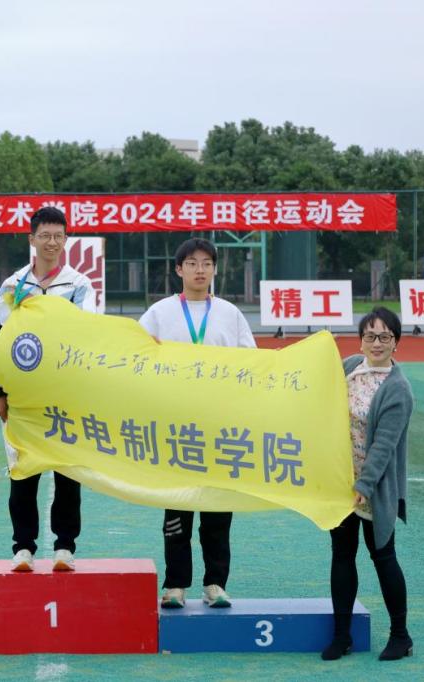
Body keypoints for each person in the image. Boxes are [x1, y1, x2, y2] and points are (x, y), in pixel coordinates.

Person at [137, 237, 256, 610]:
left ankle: (215, 583)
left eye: (206, 263)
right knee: (176, 510)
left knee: (218, 510)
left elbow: (251, 363)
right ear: (179, 269)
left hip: (220, 428)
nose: (200, 270)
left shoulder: (230, 314)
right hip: (176, 428)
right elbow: (134, 356)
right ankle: (175, 585)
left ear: (215, 269)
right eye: (191, 263)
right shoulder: (159, 313)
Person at [0, 206, 97, 572]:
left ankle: (65, 546)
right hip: (22, 396)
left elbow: (88, 334)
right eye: (44, 235)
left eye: (58, 236)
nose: (51, 242)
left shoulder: (79, 285)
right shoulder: (13, 286)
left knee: (68, 470)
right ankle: (23, 548)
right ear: (32, 239)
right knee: (23, 470)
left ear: (66, 240)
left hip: (65, 393)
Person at [322, 306, 414, 661]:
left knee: (383, 557)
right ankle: (341, 635)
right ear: (361, 340)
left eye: (385, 336)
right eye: (370, 336)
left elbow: (384, 446)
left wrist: (364, 486)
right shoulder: (348, 368)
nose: (377, 343)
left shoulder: (398, 389)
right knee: (342, 556)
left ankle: (401, 636)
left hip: (375, 490)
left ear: (395, 342)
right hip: (341, 483)